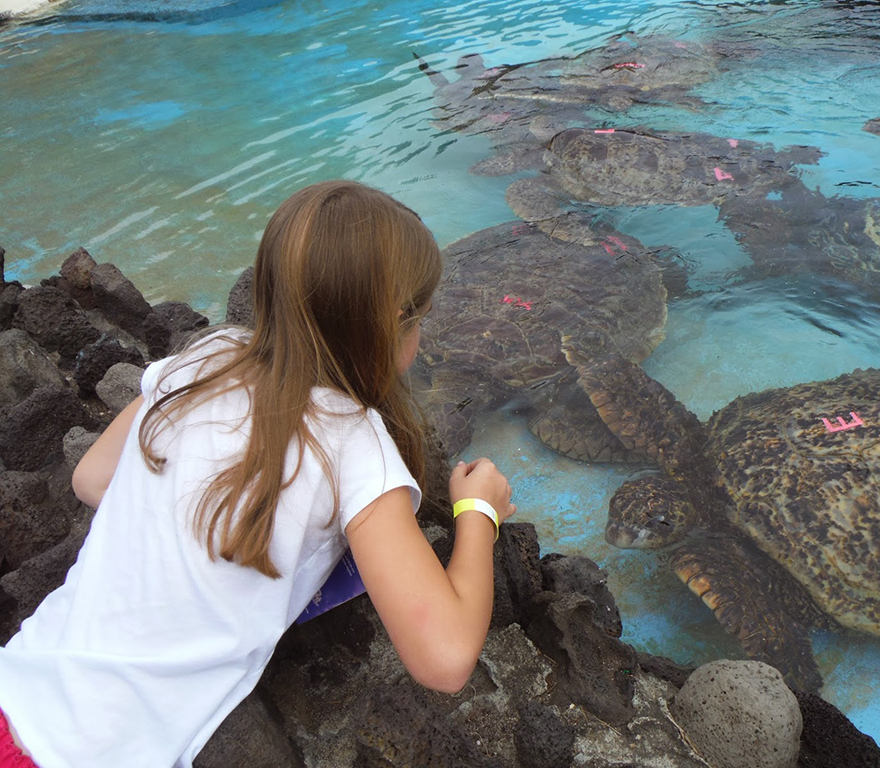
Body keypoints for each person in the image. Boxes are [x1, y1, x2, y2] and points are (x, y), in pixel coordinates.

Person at [0, 180, 516, 767]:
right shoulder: (356, 443)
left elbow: (92, 479)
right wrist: (478, 512)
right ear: (394, 322)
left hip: (17, 686)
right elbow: (446, 661)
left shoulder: (208, 356)